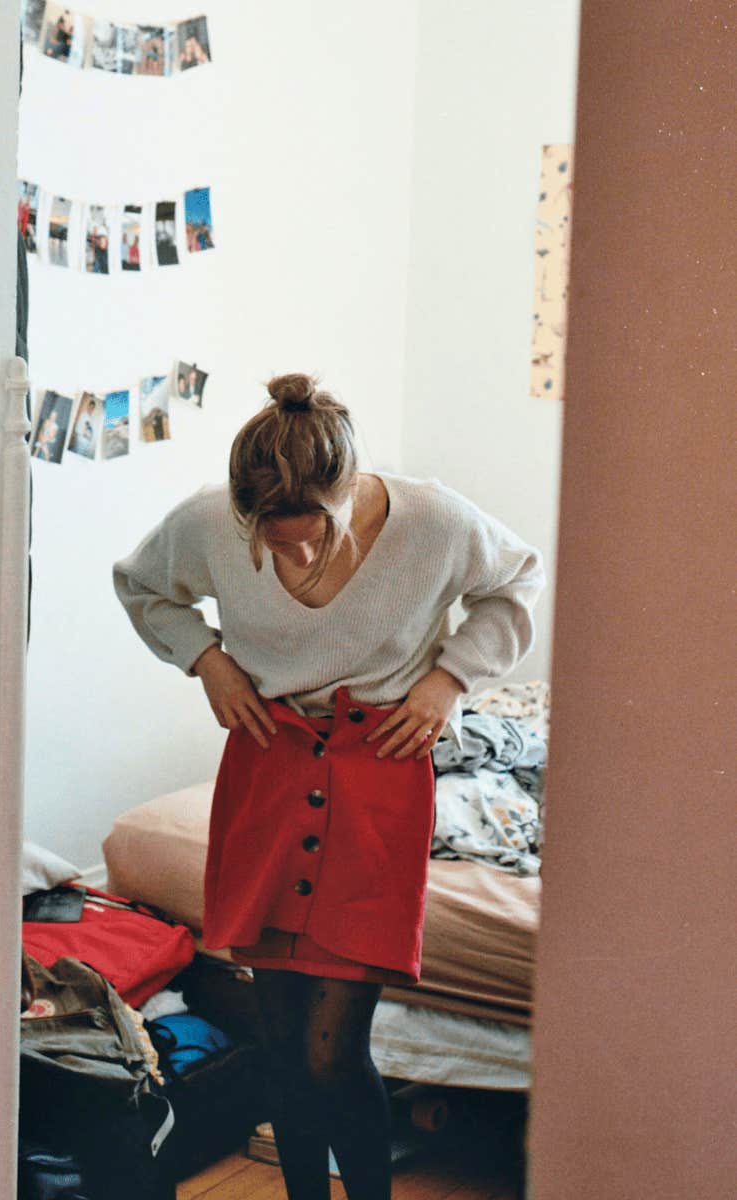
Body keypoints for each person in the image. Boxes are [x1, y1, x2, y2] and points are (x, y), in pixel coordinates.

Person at [112, 373, 545, 1200]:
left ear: (350, 494)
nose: (298, 557)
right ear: (245, 514)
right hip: (267, 772)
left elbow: (518, 579)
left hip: (380, 778)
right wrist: (208, 661)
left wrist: (448, 681)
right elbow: (140, 584)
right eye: (275, 542)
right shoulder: (209, 521)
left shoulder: (436, 520)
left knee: (330, 1053)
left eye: (316, 536)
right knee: (278, 1047)